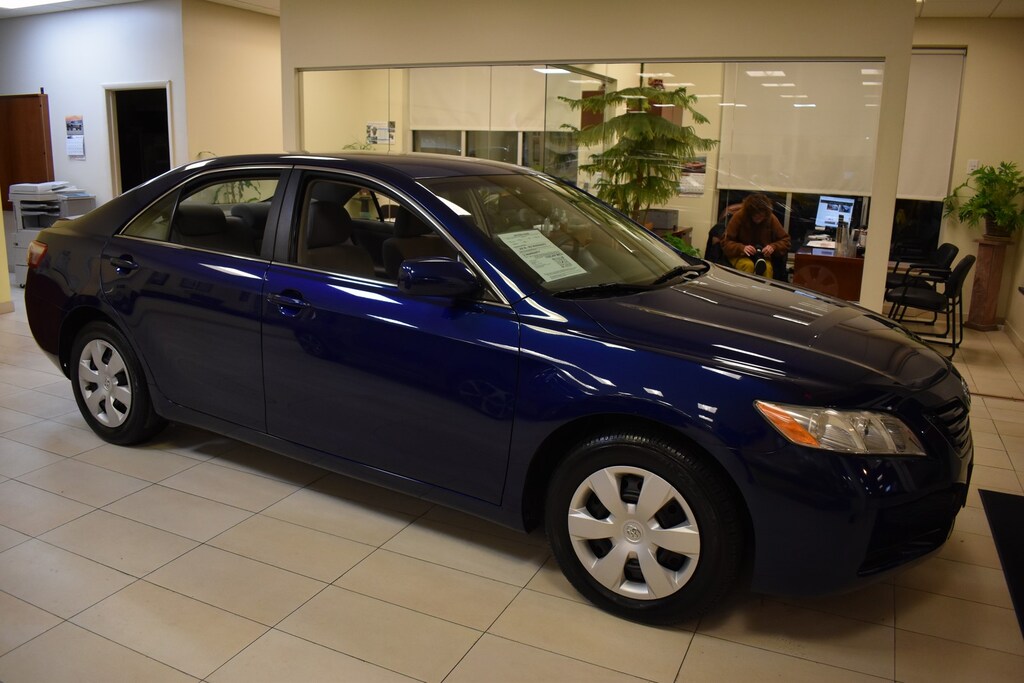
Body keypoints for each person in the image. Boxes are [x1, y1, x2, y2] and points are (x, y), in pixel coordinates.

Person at [721, 193, 790, 279]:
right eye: (756, 216)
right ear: (749, 213)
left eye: (762, 216)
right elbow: (725, 242)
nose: (759, 219)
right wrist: (741, 248)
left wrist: (773, 247)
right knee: (748, 266)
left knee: (767, 269)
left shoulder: (770, 218)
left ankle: (765, 291)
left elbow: (785, 240)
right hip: (740, 254)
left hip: (762, 255)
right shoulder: (739, 216)